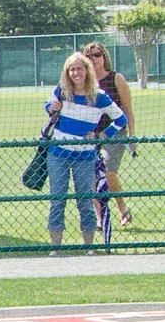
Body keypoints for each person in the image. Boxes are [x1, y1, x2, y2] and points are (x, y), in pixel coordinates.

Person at [45, 51, 128, 251]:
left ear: (86, 71)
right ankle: (55, 247)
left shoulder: (99, 96)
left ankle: (89, 247)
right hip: (58, 153)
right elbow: (48, 106)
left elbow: (121, 119)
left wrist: (101, 136)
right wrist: (51, 106)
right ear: (67, 72)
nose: (76, 73)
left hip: (85, 155)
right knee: (58, 199)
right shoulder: (62, 90)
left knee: (85, 200)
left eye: (79, 69)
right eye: (72, 69)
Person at [83, 41, 134, 230]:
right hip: (91, 134)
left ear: (104, 56)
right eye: (89, 56)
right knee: (92, 176)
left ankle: (123, 209)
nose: (93, 59)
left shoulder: (116, 78)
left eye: (97, 55)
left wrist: (132, 136)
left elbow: (128, 108)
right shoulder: (84, 82)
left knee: (110, 173)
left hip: (115, 132)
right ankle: (99, 217)